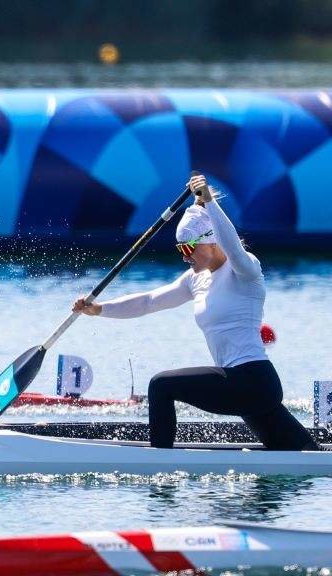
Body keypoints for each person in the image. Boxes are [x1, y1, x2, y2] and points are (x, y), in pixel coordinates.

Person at [72, 173, 319, 450]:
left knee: (161, 386)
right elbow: (149, 301)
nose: (184, 254)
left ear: (212, 242)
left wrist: (209, 201)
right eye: (180, 247)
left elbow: (234, 249)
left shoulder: (245, 270)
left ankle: (159, 464)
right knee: (303, 453)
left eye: (189, 246)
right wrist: (99, 309)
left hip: (253, 380)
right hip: (240, 386)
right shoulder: (195, 280)